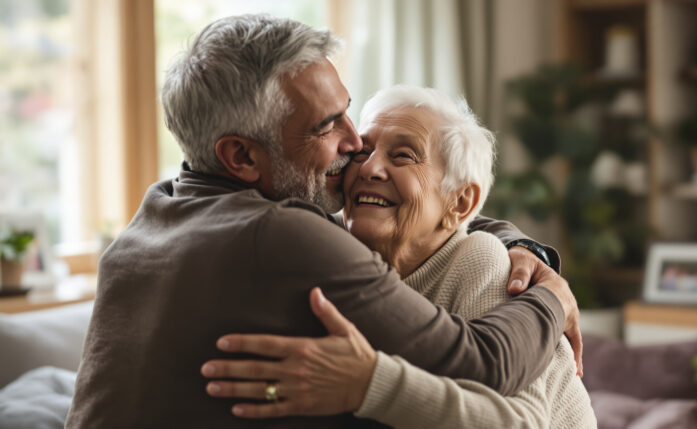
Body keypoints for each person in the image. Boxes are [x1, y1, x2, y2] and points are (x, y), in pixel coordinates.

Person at [65, 15, 581, 428]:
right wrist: (553, 298)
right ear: (241, 157)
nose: (355, 146)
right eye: (327, 125)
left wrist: (512, 243)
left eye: (347, 112)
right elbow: (485, 361)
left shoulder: (156, 212)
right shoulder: (284, 235)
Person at [202, 86, 596, 428]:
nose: (370, 168)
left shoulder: (481, 261)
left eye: (404, 155)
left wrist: (369, 385)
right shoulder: (329, 245)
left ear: (460, 202)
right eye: (364, 151)